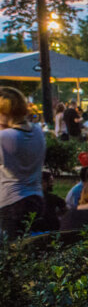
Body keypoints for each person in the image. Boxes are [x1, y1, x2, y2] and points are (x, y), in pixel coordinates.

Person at [0, 87, 46, 238]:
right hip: (36, 198)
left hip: (11, 201)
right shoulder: (37, 131)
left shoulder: (5, 137)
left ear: (4, 113)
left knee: (10, 252)